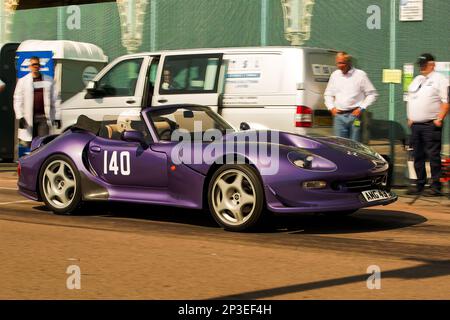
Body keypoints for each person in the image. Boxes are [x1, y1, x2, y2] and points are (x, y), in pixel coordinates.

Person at [406, 53, 449, 196]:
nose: (422, 67)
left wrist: (439, 119)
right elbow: (411, 98)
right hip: (416, 125)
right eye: (420, 64)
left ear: (432, 64)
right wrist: (410, 117)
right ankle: (419, 184)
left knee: (433, 156)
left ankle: (436, 187)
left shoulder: (440, 79)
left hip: (431, 125)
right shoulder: (418, 79)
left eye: (424, 64)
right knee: (417, 155)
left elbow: (446, 101)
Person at [324, 51, 378, 141]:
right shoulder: (335, 75)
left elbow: (372, 94)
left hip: (355, 117)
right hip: (339, 117)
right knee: (340, 146)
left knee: (355, 146)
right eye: (338, 63)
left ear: (349, 62)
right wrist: (331, 107)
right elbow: (328, 94)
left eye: (342, 63)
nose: (339, 66)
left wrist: (361, 108)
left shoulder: (360, 75)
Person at [13, 56, 60, 148]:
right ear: (30, 66)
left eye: (37, 64)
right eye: (33, 64)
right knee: (29, 143)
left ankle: (40, 162)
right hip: (29, 118)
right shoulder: (23, 81)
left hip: (43, 118)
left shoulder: (48, 80)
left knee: (43, 143)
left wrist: (57, 117)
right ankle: (29, 162)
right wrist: (20, 116)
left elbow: (55, 99)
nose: (35, 66)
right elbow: (17, 99)